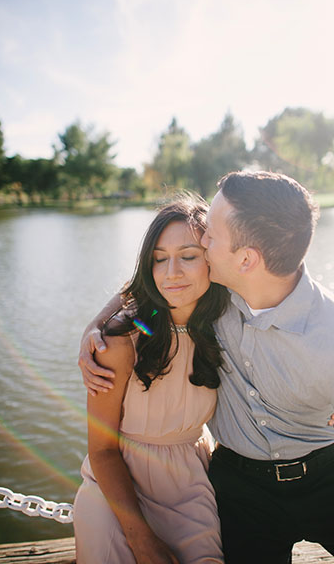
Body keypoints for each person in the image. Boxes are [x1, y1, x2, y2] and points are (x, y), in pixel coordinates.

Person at [79, 171, 334, 563]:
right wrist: (97, 325)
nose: (202, 242)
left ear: (246, 259)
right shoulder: (213, 294)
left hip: (329, 477)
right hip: (239, 489)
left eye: (208, 236)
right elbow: (157, 273)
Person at [73, 195, 228, 563]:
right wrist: (141, 541)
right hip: (116, 491)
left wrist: (331, 405)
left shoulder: (226, 327)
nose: (171, 271)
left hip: (189, 484)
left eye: (188, 256)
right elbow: (102, 451)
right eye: (159, 258)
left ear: (213, 259)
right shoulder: (118, 344)